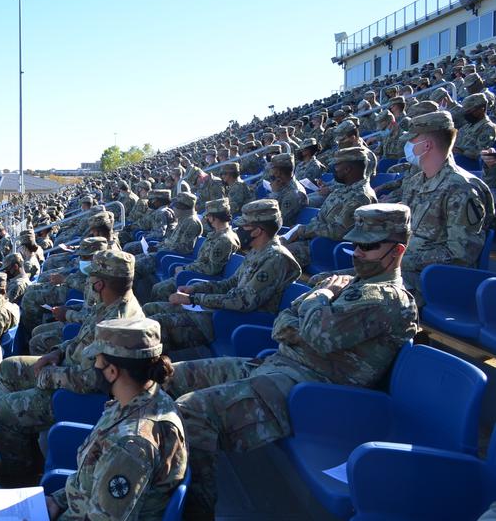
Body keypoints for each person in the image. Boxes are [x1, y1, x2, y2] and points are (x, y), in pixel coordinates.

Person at [170, 204, 419, 518]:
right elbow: (282, 324)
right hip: (279, 366)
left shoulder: (388, 298)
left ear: (396, 250)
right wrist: (314, 314)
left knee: (191, 412)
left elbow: (317, 333)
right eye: (355, 243)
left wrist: (321, 297)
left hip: (312, 392)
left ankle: (196, 511)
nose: (356, 252)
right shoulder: (350, 282)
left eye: (368, 247)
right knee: (169, 375)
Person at [0, 250, 143, 487]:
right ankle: (24, 456)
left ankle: (21, 475)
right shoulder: (110, 304)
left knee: (0, 411)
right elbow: (81, 338)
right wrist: (57, 351)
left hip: (77, 396)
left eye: (91, 281)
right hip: (67, 367)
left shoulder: (117, 322)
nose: (88, 285)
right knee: (10, 368)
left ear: (100, 284)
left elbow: (95, 381)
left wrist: (50, 376)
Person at [46, 318, 188, 520]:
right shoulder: (146, 398)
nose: (94, 365)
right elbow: (93, 475)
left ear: (112, 372)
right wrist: (58, 500)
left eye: (97, 361)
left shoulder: (130, 446)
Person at [144, 199, 301, 352]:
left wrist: (194, 299)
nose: (238, 230)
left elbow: (243, 301)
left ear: (257, 231)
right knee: (149, 309)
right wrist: (195, 288)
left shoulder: (276, 258)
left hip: (231, 322)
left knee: (152, 328)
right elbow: (230, 283)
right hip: (214, 311)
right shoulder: (258, 251)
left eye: (243, 226)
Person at [400, 111, 493, 305]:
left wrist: (402, 258)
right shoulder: (416, 182)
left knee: (354, 304)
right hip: (404, 272)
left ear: (426, 145)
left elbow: (461, 255)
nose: (407, 146)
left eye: (412, 140)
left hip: (435, 282)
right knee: (329, 281)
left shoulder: (462, 188)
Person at [284, 147, 377, 268]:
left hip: (326, 247)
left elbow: (338, 232)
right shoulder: (343, 188)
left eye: (337, 165)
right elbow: (321, 218)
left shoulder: (360, 197)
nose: (334, 169)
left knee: (277, 257)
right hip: (313, 240)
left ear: (347, 169)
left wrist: (303, 230)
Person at [150, 198, 240, 302]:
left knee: (159, 289)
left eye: (208, 216)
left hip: (202, 279)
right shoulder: (217, 234)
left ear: (214, 217)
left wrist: (185, 269)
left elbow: (210, 269)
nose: (207, 219)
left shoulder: (224, 240)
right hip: (195, 273)